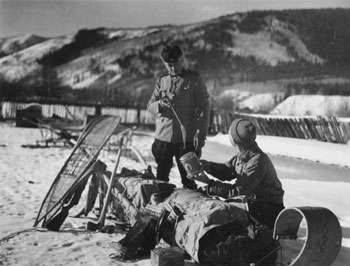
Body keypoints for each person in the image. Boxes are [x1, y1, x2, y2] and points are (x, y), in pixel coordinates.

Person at [199, 118, 285, 229]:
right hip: (255, 204)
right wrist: (208, 167)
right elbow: (227, 171)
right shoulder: (244, 154)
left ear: (235, 140)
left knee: (225, 216)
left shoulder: (257, 161)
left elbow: (238, 192)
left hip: (269, 210)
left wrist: (209, 183)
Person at [147, 44, 210, 189]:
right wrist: (160, 104)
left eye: (175, 64)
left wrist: (201, 134)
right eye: (169, 65)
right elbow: (150, 105)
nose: (172, 68)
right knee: (161, 178)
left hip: (185, 139)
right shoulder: (162, 80)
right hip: (163, 138)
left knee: (189, 178)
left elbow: (205, 108)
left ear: (181, 60)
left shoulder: (194, 79)